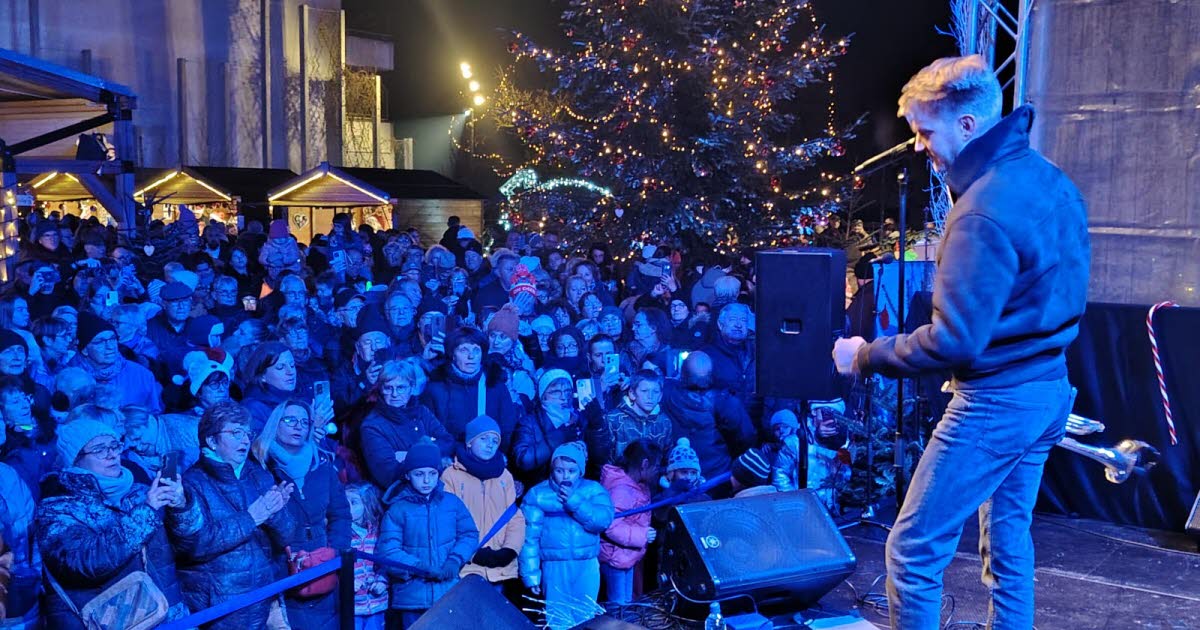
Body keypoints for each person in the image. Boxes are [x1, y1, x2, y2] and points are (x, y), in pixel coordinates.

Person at [832, 54, 1089, 630]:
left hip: (996, 403)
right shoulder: (1048, 178)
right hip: (1048, 390)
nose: (919, 146)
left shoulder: (981, 213)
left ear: (968, 125)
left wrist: (864, 355)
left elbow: (955, 343)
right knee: (1008, 541)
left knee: (914, 549)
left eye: (925, 131)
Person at [36, 417, 200, 626]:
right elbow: (84, 563)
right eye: (99, 449)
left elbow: (188, 546)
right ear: (75, 459)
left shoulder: (141, 493)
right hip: (115, 622)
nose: (112, 454)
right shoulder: (58, 509)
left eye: (114, 445)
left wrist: (181, 505)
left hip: (169, 616)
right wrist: (146, 513)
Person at [173, 401, 297, 630]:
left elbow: (287, 536)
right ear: (211, 440)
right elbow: (193, 546)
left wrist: (275, 513)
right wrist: (252, 517)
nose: (245, 440)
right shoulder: (192, 484)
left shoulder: (259, 474)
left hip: (264, 597)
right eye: (235, 433)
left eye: (247, 433)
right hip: (220, 608)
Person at [253, 399, 351, 628]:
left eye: (304, 422)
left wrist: (334, 550)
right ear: (275, 424)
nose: (298, 426)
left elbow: (341, 514)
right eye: (290, 420)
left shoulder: (322, 465)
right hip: (282, 565)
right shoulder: (259, 467)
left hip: (322, 560)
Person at [377, 438, 478, 628]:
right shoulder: (398, 509)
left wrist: (455, 560)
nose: (426, 480)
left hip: (448, 592)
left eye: (432, 474)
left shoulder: (452, 503)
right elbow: (388, 550)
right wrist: (419, 566)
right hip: (413, 597)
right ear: (408, 475)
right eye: (419, 474)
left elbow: (469, 534)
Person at [519, 441, 613, 629]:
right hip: (554, 566)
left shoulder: (593, 491)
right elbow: (528, 539)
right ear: (552, 469)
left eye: (571, 470)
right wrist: (531, 574)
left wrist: (574, 501)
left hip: (586, 563)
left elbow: (602, 521)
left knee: (586, 617)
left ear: (581, 471)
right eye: (559, 470)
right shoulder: (538, 494)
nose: (565, 476)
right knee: (558, 619)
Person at [441, 416, 525, 591]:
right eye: (484, 438)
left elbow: (514, 518)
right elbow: (446, 523)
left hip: (498, 568)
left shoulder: (505, 477)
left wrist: (509, 551)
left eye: (495, 440)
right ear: (470, 442)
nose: (490, 445)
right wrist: (469, 553)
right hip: (464, 568)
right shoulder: (451, 475)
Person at [358, 359, 454, 489]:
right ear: (381, 389)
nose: (395, 394)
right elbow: (387, 474)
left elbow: (448, 441)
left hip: (435, 487)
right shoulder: (372, 426)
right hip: (400, 495)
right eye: (388, 388)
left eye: (401, 387)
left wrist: (409, 454)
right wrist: (434, 454)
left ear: (412, 387)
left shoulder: (422, 411)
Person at [422, 327, 521, 450]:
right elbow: (428, 431)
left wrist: (497, 454)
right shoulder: (435, 388)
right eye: (464, 350)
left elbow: (507, 428)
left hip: (487, 457)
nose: (471, 356)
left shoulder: (495, 386)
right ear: (452, 354)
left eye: (476, 350)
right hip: (448, 459)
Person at [599, 439, 662, 605]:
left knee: (626, 602)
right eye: (656, 467)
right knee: (618, 604)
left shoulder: (637, 485)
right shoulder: (622, 490)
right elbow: (610, 525)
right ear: (645, 464)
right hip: (615, 556)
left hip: (626, 555)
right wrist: (641, 535)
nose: (657, 471)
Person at [587, 370, 672, 472]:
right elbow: (603, 459)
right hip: (619, 481)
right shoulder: (613, 419)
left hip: (652, 483)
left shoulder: (664, 422)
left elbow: (667, 457)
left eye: (655, 392)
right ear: (632, 393)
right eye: (644, 391)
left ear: (660, 396)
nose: (650, 396)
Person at [74, 317, 163, 413]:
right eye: (100, 342)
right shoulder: (71, 378)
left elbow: (154, 415)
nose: (110, 346)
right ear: (85, 350)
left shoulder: (142, 375)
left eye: (112, 339)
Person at [346, 482, 388, 630]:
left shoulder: (377, 533)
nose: (348, 507)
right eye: (345, 502)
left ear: (367, 504)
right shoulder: (342, 536)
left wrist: (382, 581)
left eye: (354, 502)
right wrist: (347, 582)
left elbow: (385, 563)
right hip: (353, 606)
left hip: (377, 603)